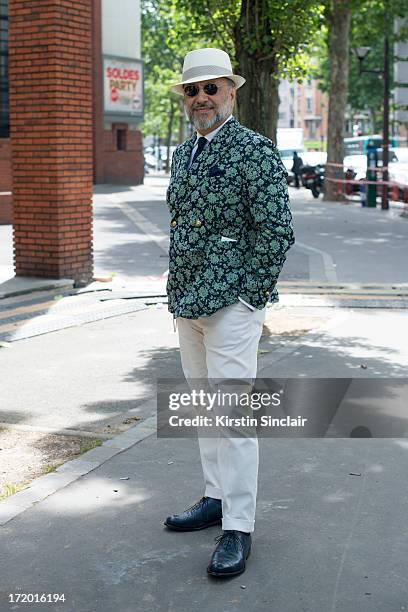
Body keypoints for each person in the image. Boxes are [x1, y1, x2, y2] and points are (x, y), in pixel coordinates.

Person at [164, 47, 295, 578]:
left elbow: (276, 233)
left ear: (231, 92)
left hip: (231, 307)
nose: (201, 98)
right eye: (192, 90)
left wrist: (250, 299)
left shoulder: (255, 151)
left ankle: (238, 525)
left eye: (211, 88)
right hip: (186, 300)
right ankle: (215, 498)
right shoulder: (181, 154)